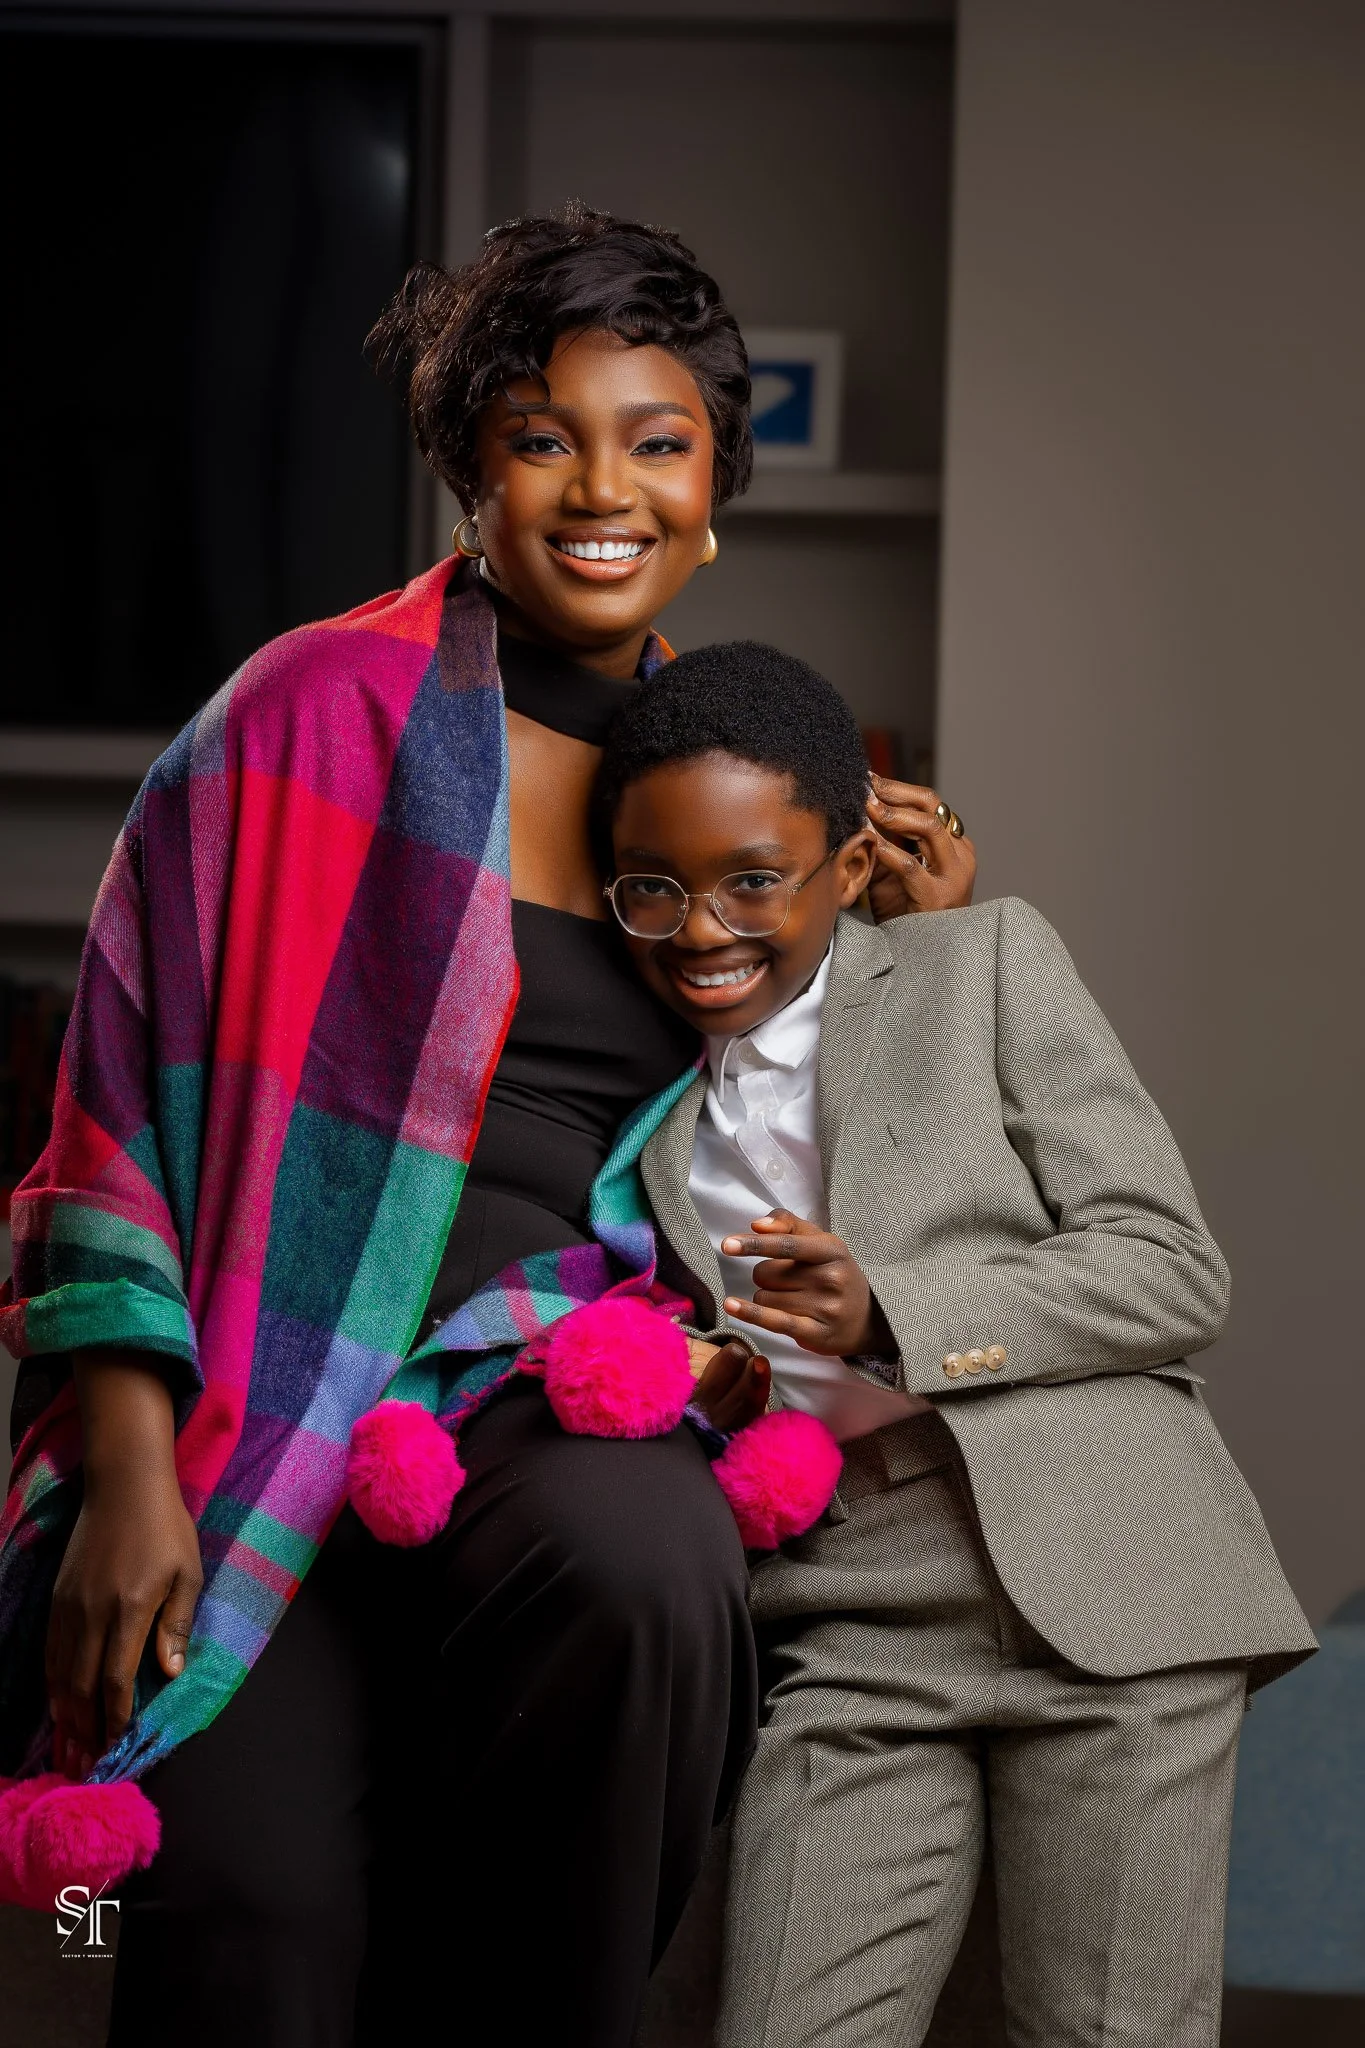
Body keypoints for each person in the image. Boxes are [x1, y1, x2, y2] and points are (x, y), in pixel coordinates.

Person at [0, 207, 974, 2047]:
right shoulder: (302, 719)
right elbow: (109, 1115)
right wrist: (128, 1477)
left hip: (568, 1395)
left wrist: (916, 965)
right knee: (243, 1918)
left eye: (658, 440)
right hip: (270, 1411)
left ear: (712, 486)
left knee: (651, 1557)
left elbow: (849, 1182)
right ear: (469, 471)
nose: (603, 488)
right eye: (543, 438)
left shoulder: (750, 794)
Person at [594, 640, 1317, 2048]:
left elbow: (1172, 1269)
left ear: (848, 860)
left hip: (1109, 1587)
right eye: (653, 890)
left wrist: (894, 1315)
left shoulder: (976, 965)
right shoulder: (641, 1104)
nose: (699, 929)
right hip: (852, 1619)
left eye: (753, 878)